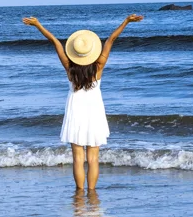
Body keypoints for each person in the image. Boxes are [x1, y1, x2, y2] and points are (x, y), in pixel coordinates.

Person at [21, 14, 144, 191]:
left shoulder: (70, 68)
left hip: (75, 110)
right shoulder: (98, 66)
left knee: (78, 158)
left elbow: (55, 42)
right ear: (91, 52)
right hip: (94, 111)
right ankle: (92, 194)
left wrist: (38, 25)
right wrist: (126, 22)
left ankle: (79, 194)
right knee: (93, 159)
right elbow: (111, 39)